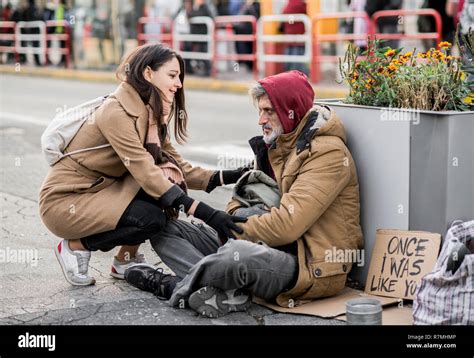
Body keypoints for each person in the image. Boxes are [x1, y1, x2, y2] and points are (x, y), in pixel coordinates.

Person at [125, 70, 363, 318]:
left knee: (236, 255)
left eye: (269, 111)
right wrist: (232, 220)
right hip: (261, 241)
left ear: (291, 110)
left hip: (308, 264)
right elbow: (237, 202)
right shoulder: (275, 145)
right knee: (164, 228)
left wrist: (236, 231)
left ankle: (172, 286)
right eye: (260, 111)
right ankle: (216, 288)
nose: (261, 120)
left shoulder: (327, 154)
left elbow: (288, 227)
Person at [39, 43, 248, 287]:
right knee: (152, 216)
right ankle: (73, 247)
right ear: (148, 73)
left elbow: (176, 165)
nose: (179, 83)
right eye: (172, 75)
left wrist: (233, 175)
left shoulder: (152, 114)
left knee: (163, 188)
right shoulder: (115, 112)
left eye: (179, 76)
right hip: (66, 201)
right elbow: (144, 170)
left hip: (101, 192)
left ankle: (124, 260)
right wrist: (207, 214)